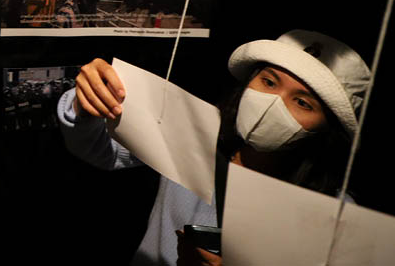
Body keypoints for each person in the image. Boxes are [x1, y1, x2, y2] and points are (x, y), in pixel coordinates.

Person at [58, 30, 370, 266]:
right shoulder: (195, 133)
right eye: (269, 82)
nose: (272, 105)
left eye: (302, 102)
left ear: (326, 128)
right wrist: (87, 102)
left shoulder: (335, 215)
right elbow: (101, 149)